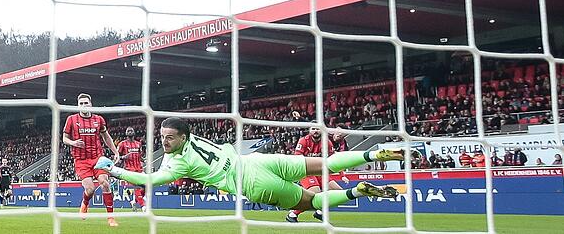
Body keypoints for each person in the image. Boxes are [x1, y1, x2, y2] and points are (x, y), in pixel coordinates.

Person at [96, 118, 404, 215]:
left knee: (311, 203)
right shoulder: (196, 138)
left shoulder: (177, 165)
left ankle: (357, 192)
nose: (164, 142)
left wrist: (114, 170)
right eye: (162, 137)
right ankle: (371, 157)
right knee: (323, 164)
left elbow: (148, 180)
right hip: (255, 160)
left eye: (169, 137)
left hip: (251, 181)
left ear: (181, 137)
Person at [63, 93, 121, 227]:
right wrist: (73, 143)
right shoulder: (71, 119)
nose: (84, 105)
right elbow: (64, 138)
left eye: (86, 103)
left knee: (105, 183)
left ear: (91, 104)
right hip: (81, 160)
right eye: (81, 103)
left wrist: (115, 151)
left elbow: (106, 137)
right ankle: (85, 203)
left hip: (97, 158)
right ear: (78, 105)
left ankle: (110, 218)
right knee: (90, 189)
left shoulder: (99, 119)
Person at [286, 127, 344, 223]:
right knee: (314, 192)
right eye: (313, 129)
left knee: (338, 192)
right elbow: (297, 158)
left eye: (318, 129)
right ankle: (293, 213)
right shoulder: (303, 141)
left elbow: (334, 159)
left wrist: (342, 174)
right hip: (306, 171)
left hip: (320, 172)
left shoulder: (326, 142)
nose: (316, 131)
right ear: (309, 131)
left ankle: (320, 211)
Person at [116, 127, 146, 212]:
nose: (130, 132)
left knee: (145, 187)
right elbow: (116, 157)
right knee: (137, 187)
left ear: (134, 132)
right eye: (128, 131)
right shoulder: (122, 144)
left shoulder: (138, 144)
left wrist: (143, 160)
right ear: (126, 133)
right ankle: (143, 206)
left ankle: (134, 202)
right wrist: (122, 157)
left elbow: (140, 156)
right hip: (129, 170)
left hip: (139, 169)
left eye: (131, 130)